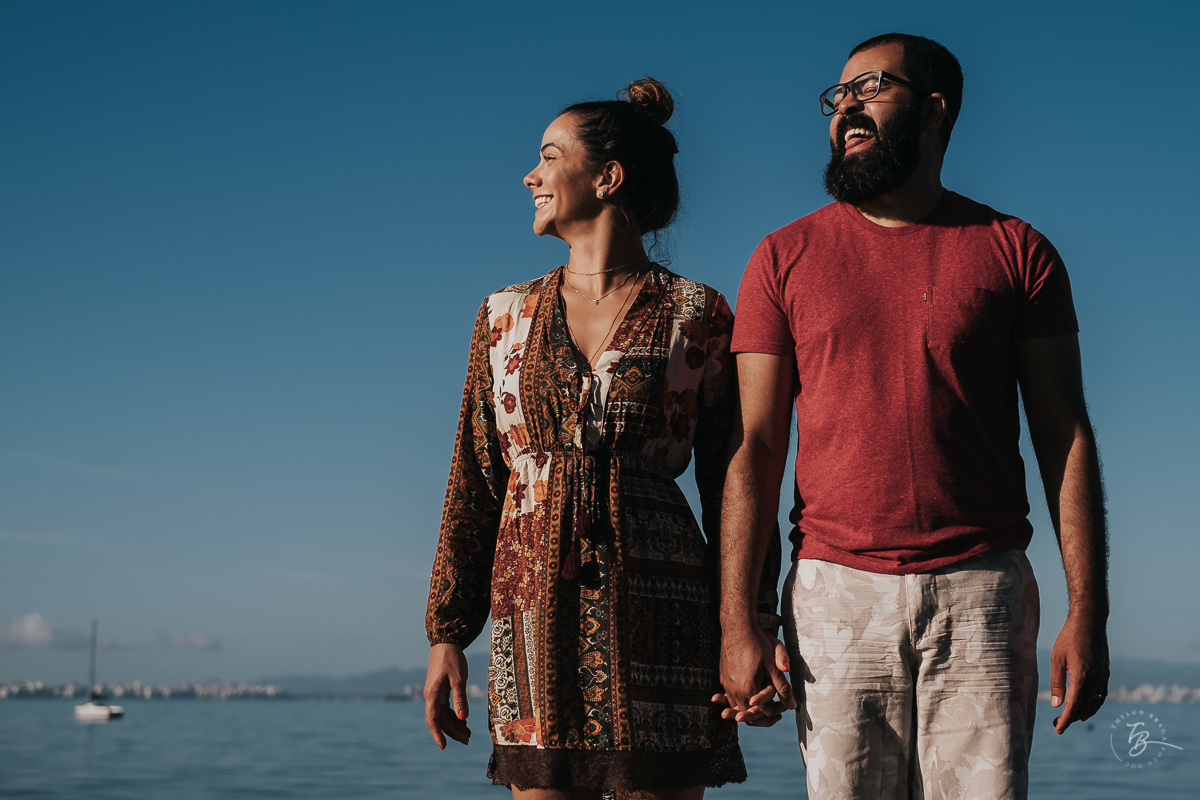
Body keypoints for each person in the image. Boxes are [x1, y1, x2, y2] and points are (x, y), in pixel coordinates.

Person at [716, 33, 1110, 799]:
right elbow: (755, 447)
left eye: (871, 87)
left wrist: (1087, 611)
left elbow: (1065, 435)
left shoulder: (1017, 251)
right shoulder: (781, 257)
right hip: (833, 592)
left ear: (933, 108)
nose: (846, 107)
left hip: (983, 592)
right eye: (838, 96)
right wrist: (740, 621)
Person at [425, 78, 774, 799]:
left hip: (664, 604)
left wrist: (750, 622)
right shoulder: (503, 315)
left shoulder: (697, 313)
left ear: (608, 177)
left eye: (549, 157)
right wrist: (446, 634)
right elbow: (475, 479)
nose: (531, 175)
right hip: (529, 609)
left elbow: (734, 480)